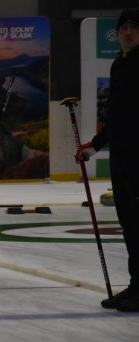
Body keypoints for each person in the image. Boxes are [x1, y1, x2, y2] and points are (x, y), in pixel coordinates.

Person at [76, 9, 139, 312]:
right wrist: (95, 145)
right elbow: (115, 116)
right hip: (122, 155)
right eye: (124, 27)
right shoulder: (119, 65)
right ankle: (136, 286)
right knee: (129, 223)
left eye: (134, 28)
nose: (128, 32)